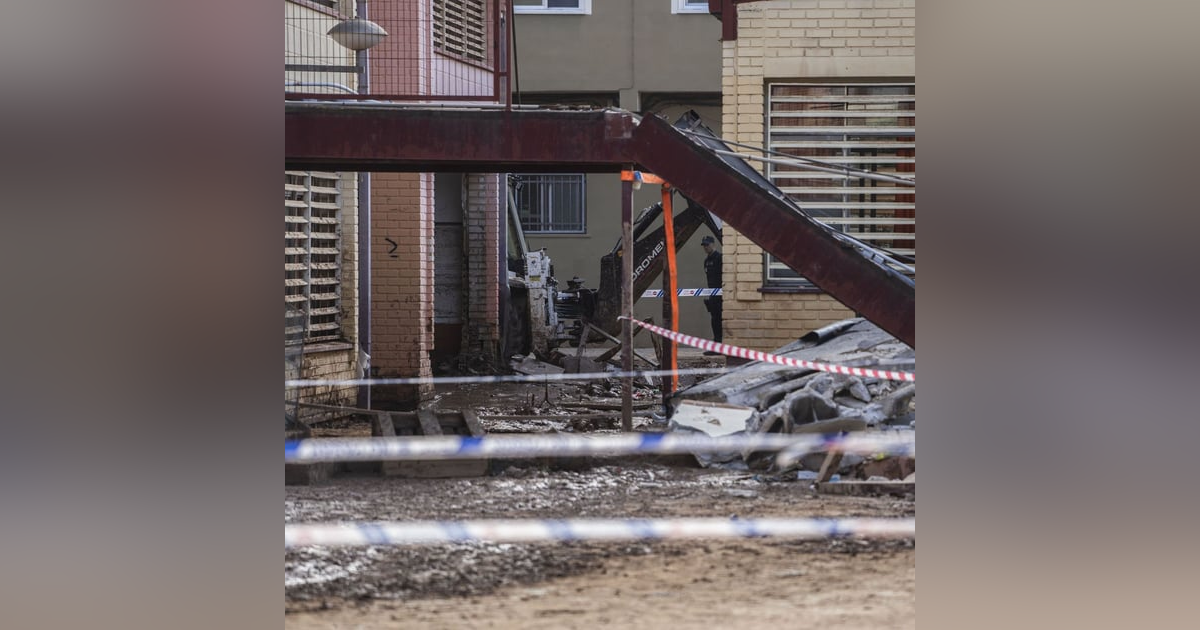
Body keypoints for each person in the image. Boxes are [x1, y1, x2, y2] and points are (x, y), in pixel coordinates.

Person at [700, 235, 723, 354]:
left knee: (720, 320)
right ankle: (716, 345)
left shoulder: (719, 258)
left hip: (721, 294)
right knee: (714, 321)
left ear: (713, 244)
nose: (706, 247)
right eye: (704, 245)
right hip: (713, 294)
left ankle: (721, 346)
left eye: (707, 245)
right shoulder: (707, 261)